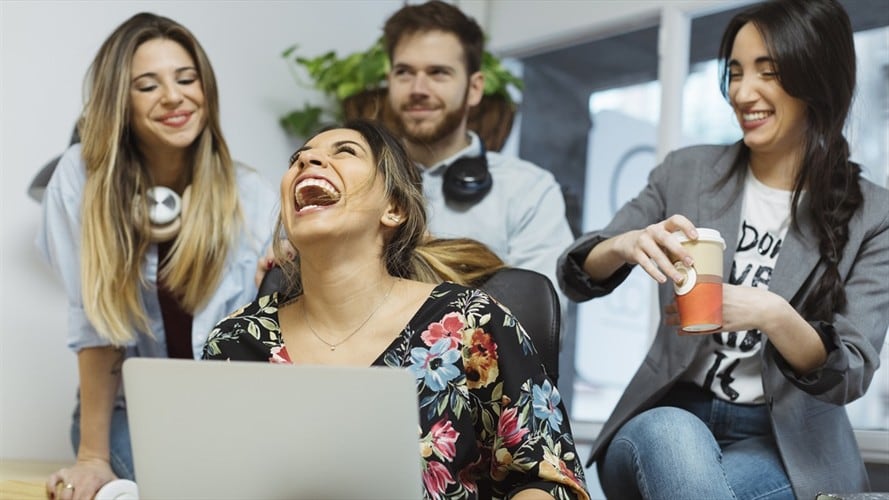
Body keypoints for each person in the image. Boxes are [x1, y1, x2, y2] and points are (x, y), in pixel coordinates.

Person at [557, 0, 889, 498]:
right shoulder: (686, 172)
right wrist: (623, 244)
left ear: (816, 80)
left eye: (768, 72)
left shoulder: (873, 214)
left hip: (787, 442)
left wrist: (772, 313)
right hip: (668, 418)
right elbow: (575, 274)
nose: (741, 92)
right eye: (734, 73)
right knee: (673, 436)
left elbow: (852, 371)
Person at [203, 119, 590, 500]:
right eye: (298, 160)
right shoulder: (236, 341)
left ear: (394, 208)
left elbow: (548, 479)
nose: (308, 163)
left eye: (345, 152)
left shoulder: (469, 324)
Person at [37, 13, 277, 500]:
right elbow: (98, 326)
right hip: (132, 414)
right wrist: (93, 459)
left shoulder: (252, 195)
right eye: (147, 85)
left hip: (228, 415)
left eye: (187, 79)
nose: (174, 96)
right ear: (118, 101)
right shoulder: (80, 181)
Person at [381, 0, 574, 299]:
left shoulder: (527, 190)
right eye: (404, 72)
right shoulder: (358, 180)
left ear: (474, 88)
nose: (418, 89)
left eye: (438, 73)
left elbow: (537, 320)